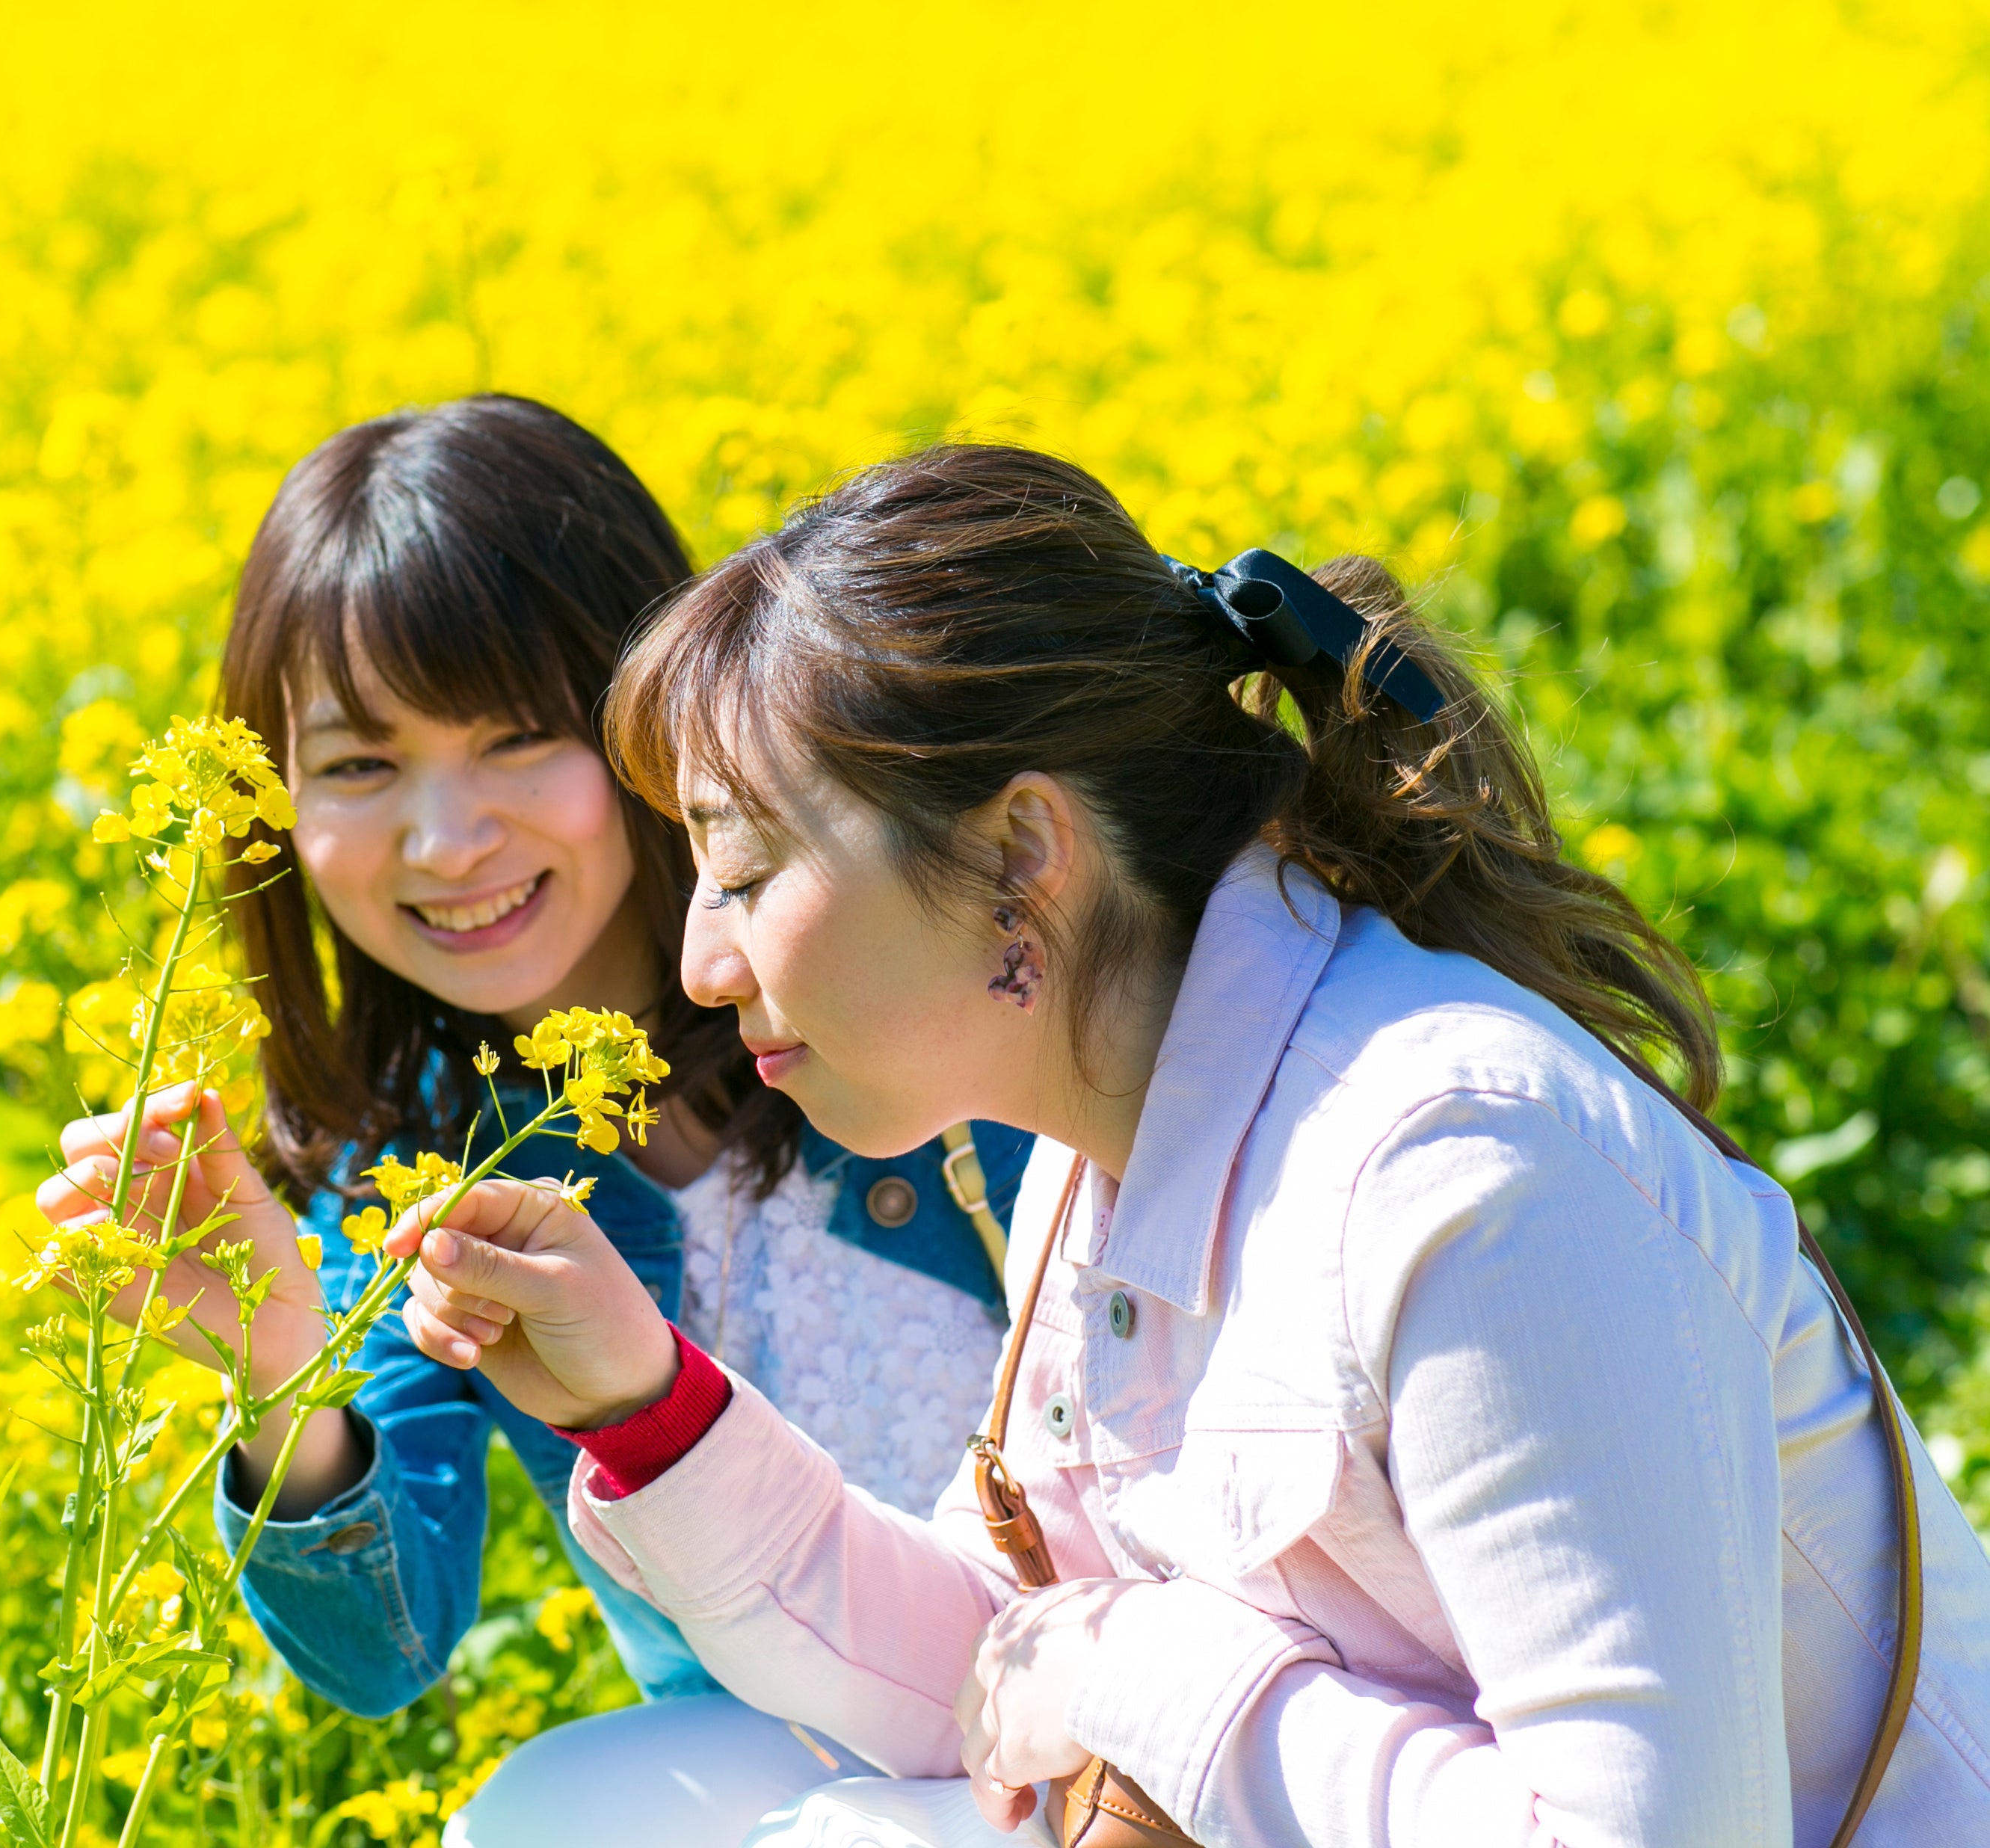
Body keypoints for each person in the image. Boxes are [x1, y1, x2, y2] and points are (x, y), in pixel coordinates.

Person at [383, 445, 1990, 1845]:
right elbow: (992, 1670)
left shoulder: (1469, 1172)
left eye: (743, 874)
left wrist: (1144, 1672)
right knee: (577, 1814)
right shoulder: (1103, 1150)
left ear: (1024, 852)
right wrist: (642, 1402)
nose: (701, 966)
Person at [34, 398, 1034, 1771]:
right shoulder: (414, 1171)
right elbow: (385, 1652)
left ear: (652, 718)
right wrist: (279, 1372)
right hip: (815, 1777)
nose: (445, 841)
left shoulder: (903, 960)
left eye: (515, 738)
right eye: (360, 766)